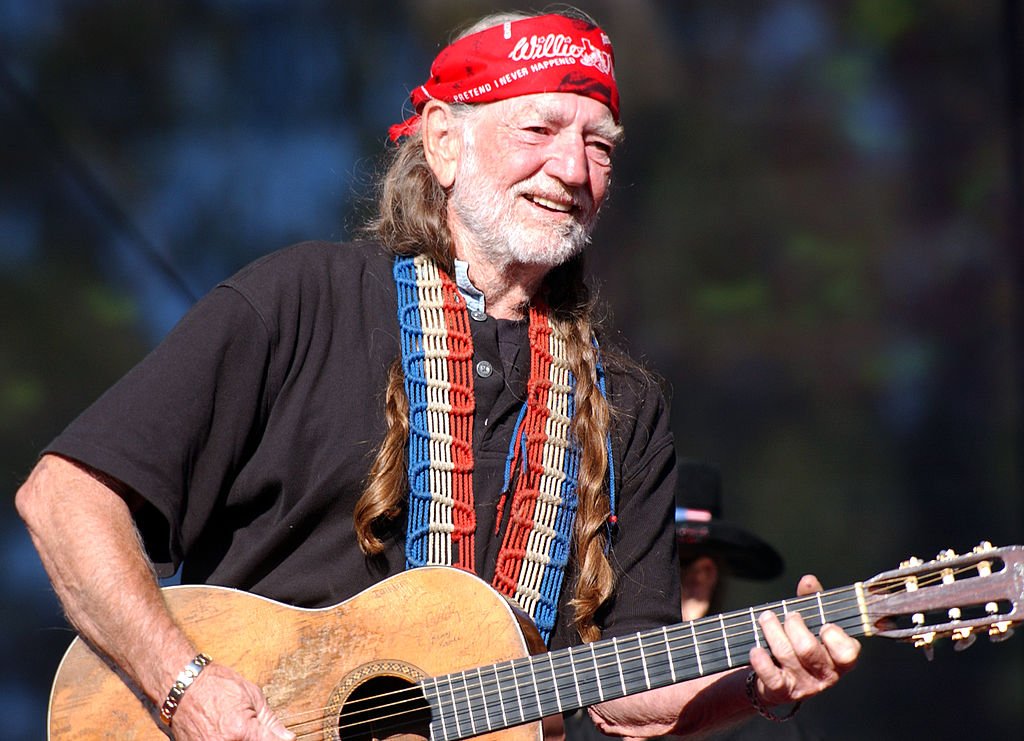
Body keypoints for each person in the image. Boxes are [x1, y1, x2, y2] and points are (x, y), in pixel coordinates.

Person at [15, 9, 859, 740]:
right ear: (444, 143)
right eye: (539, 129)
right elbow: (63, 497)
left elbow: (627, 695)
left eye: (597, 142)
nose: (572, 169)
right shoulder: (302, 300)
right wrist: (187, 686)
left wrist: (756, 682)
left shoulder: (625, 407)